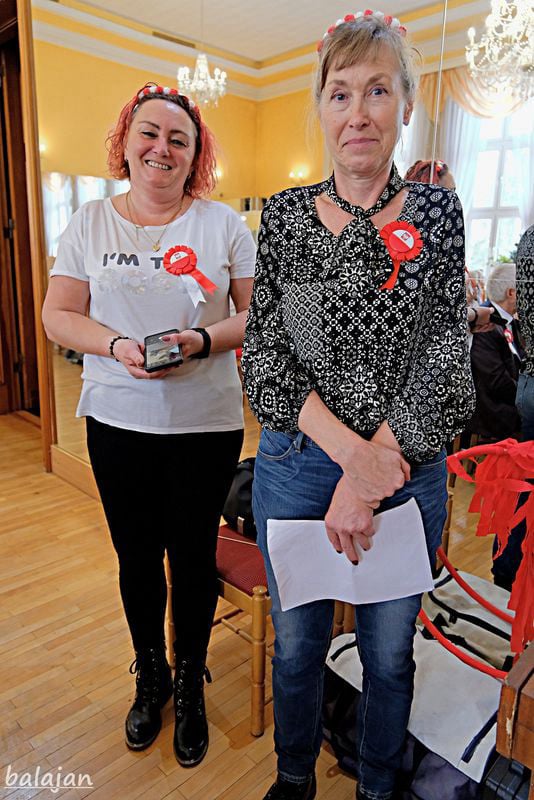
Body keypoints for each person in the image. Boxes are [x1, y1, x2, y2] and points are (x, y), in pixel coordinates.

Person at [242, 11, 475, 800]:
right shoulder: (284, 215)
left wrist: (373, 474)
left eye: (378, 90)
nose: (358, 112)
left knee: (389, 656)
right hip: (296, 469)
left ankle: (377, 786)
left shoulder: (436, 213)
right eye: (339, 93)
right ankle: (294, 779)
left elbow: (442, 360)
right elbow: (267, 358)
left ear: (406, 104)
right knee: (296, 652)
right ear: (321, 106)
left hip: (406, 475)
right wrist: (354, 461)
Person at [42, 83, 255, 766]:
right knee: (136, 557)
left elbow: (256, 317)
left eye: (178, 139)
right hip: (116, 419)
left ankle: (190, 679)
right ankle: (151, 674)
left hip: (205, 425)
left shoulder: (223, 226)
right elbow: (58, 314)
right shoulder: (90, 223)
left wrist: (201, 340)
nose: (162, 147)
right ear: (126, 143)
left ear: (195, 156)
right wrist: (115, 346)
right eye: (150, 133)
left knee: (191, 558)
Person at [468, 262, 523, 441]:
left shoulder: (511, 321)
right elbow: (496, 381)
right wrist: (525, 396)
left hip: (508, 406)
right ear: (511, 293)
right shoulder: (485, 323)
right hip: (492, 415)